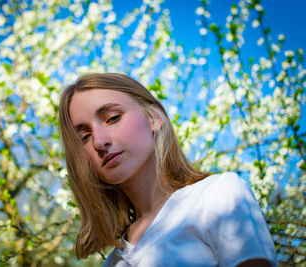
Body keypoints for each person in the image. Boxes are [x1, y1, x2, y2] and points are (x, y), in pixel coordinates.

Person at [58, 73, 277, 266]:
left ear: (154, 117)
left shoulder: (217, 194)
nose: (99, 141)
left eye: (113, 118)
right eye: (84, 137)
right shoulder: (114, 262)